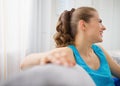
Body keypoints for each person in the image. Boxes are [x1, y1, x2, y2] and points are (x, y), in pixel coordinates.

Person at [20, 7, 120, 86]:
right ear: (83, 25)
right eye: (99, 21)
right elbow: (24, 64)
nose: (104, 27)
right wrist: (47, 57)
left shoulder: (99, 50)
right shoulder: (69, 52)